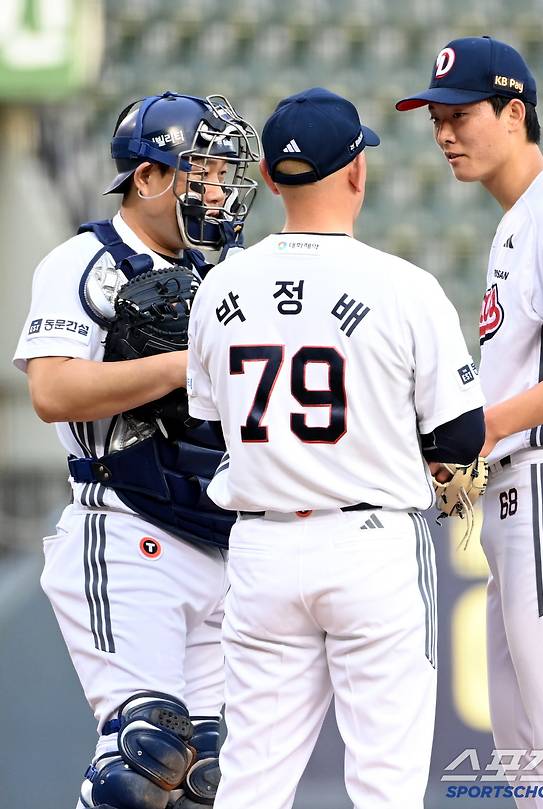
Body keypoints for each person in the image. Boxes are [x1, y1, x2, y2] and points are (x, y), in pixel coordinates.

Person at [186, 86, 486, 809]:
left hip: (259, 548)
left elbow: (207, 421)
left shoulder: (220, 286)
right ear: (358, 172)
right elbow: (462, 436)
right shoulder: (405, 287)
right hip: (370, 543)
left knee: (252, 781)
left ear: (265, 178)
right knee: (385, 783)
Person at [397, 36, 543, 807]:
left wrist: (489, 427)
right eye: (436, 116)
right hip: (521, 496)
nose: (444, 133)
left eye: (461, 114)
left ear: (514, 113)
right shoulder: (517, 220)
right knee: (532, 765)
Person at [13, 91, 260, 809]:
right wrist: (187, 364)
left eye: (221, 174)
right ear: (149, 177)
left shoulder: (228, 278)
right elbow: (53, 391)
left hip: (220, 544)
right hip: (126, 531)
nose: (217, 190)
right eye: (201, 171)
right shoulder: (86, 260)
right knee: (142, 755)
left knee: (210, 778)